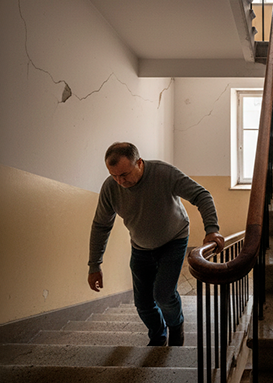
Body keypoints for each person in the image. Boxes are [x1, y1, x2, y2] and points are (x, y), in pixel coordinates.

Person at [87, 142, 225, 346]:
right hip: (141, 246)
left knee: (163, 294)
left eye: (124, 174)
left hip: (174, 239)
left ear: (139, 163)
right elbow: (101, 226)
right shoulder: (111, 187)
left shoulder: (163, 173)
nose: (120, 181)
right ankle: (158, 334)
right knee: (143, 303)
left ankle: (176, 327)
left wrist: (211, 229)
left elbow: (201, 195)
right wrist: (94, 265)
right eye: (114, 175)